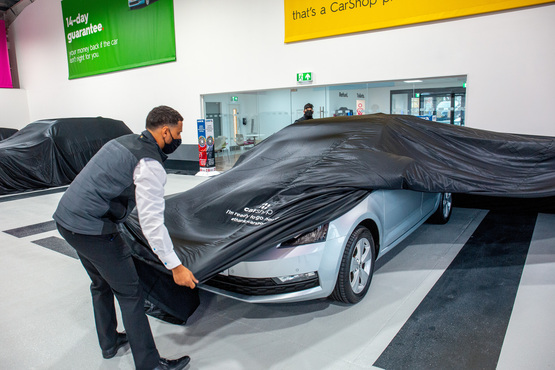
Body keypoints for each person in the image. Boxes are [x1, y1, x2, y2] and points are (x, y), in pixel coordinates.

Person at [53, 105, 197, 370]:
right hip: (92, 229)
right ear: (166, 131)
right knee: (131, 294)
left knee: (100, 283)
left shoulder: (123, 142)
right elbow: (152, 222)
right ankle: (149, 365)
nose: (179, 139)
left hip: (66, 220)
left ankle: (109, 343)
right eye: (178, 133)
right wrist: (175, 266)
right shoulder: (149, 163)